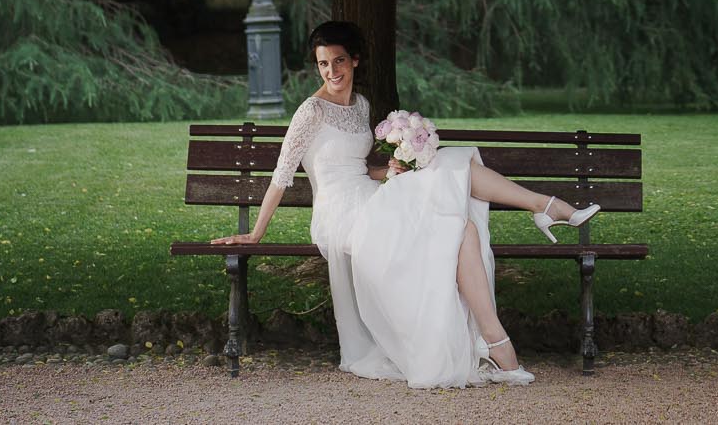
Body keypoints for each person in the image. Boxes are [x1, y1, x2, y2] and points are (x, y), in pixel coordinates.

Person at [208, 20, 599, 387]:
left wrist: (394, 168)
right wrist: (256, 232)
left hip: (370, 195)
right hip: (341, 214)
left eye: (339, 61)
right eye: (323, 64)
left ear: (355, 59)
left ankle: (494, 339)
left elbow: (360, 168)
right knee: (453, 206)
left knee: (458, 211)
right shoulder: (311, 111)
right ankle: (545, 213)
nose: (331, 71)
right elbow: (282, 174)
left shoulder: (360, 105)